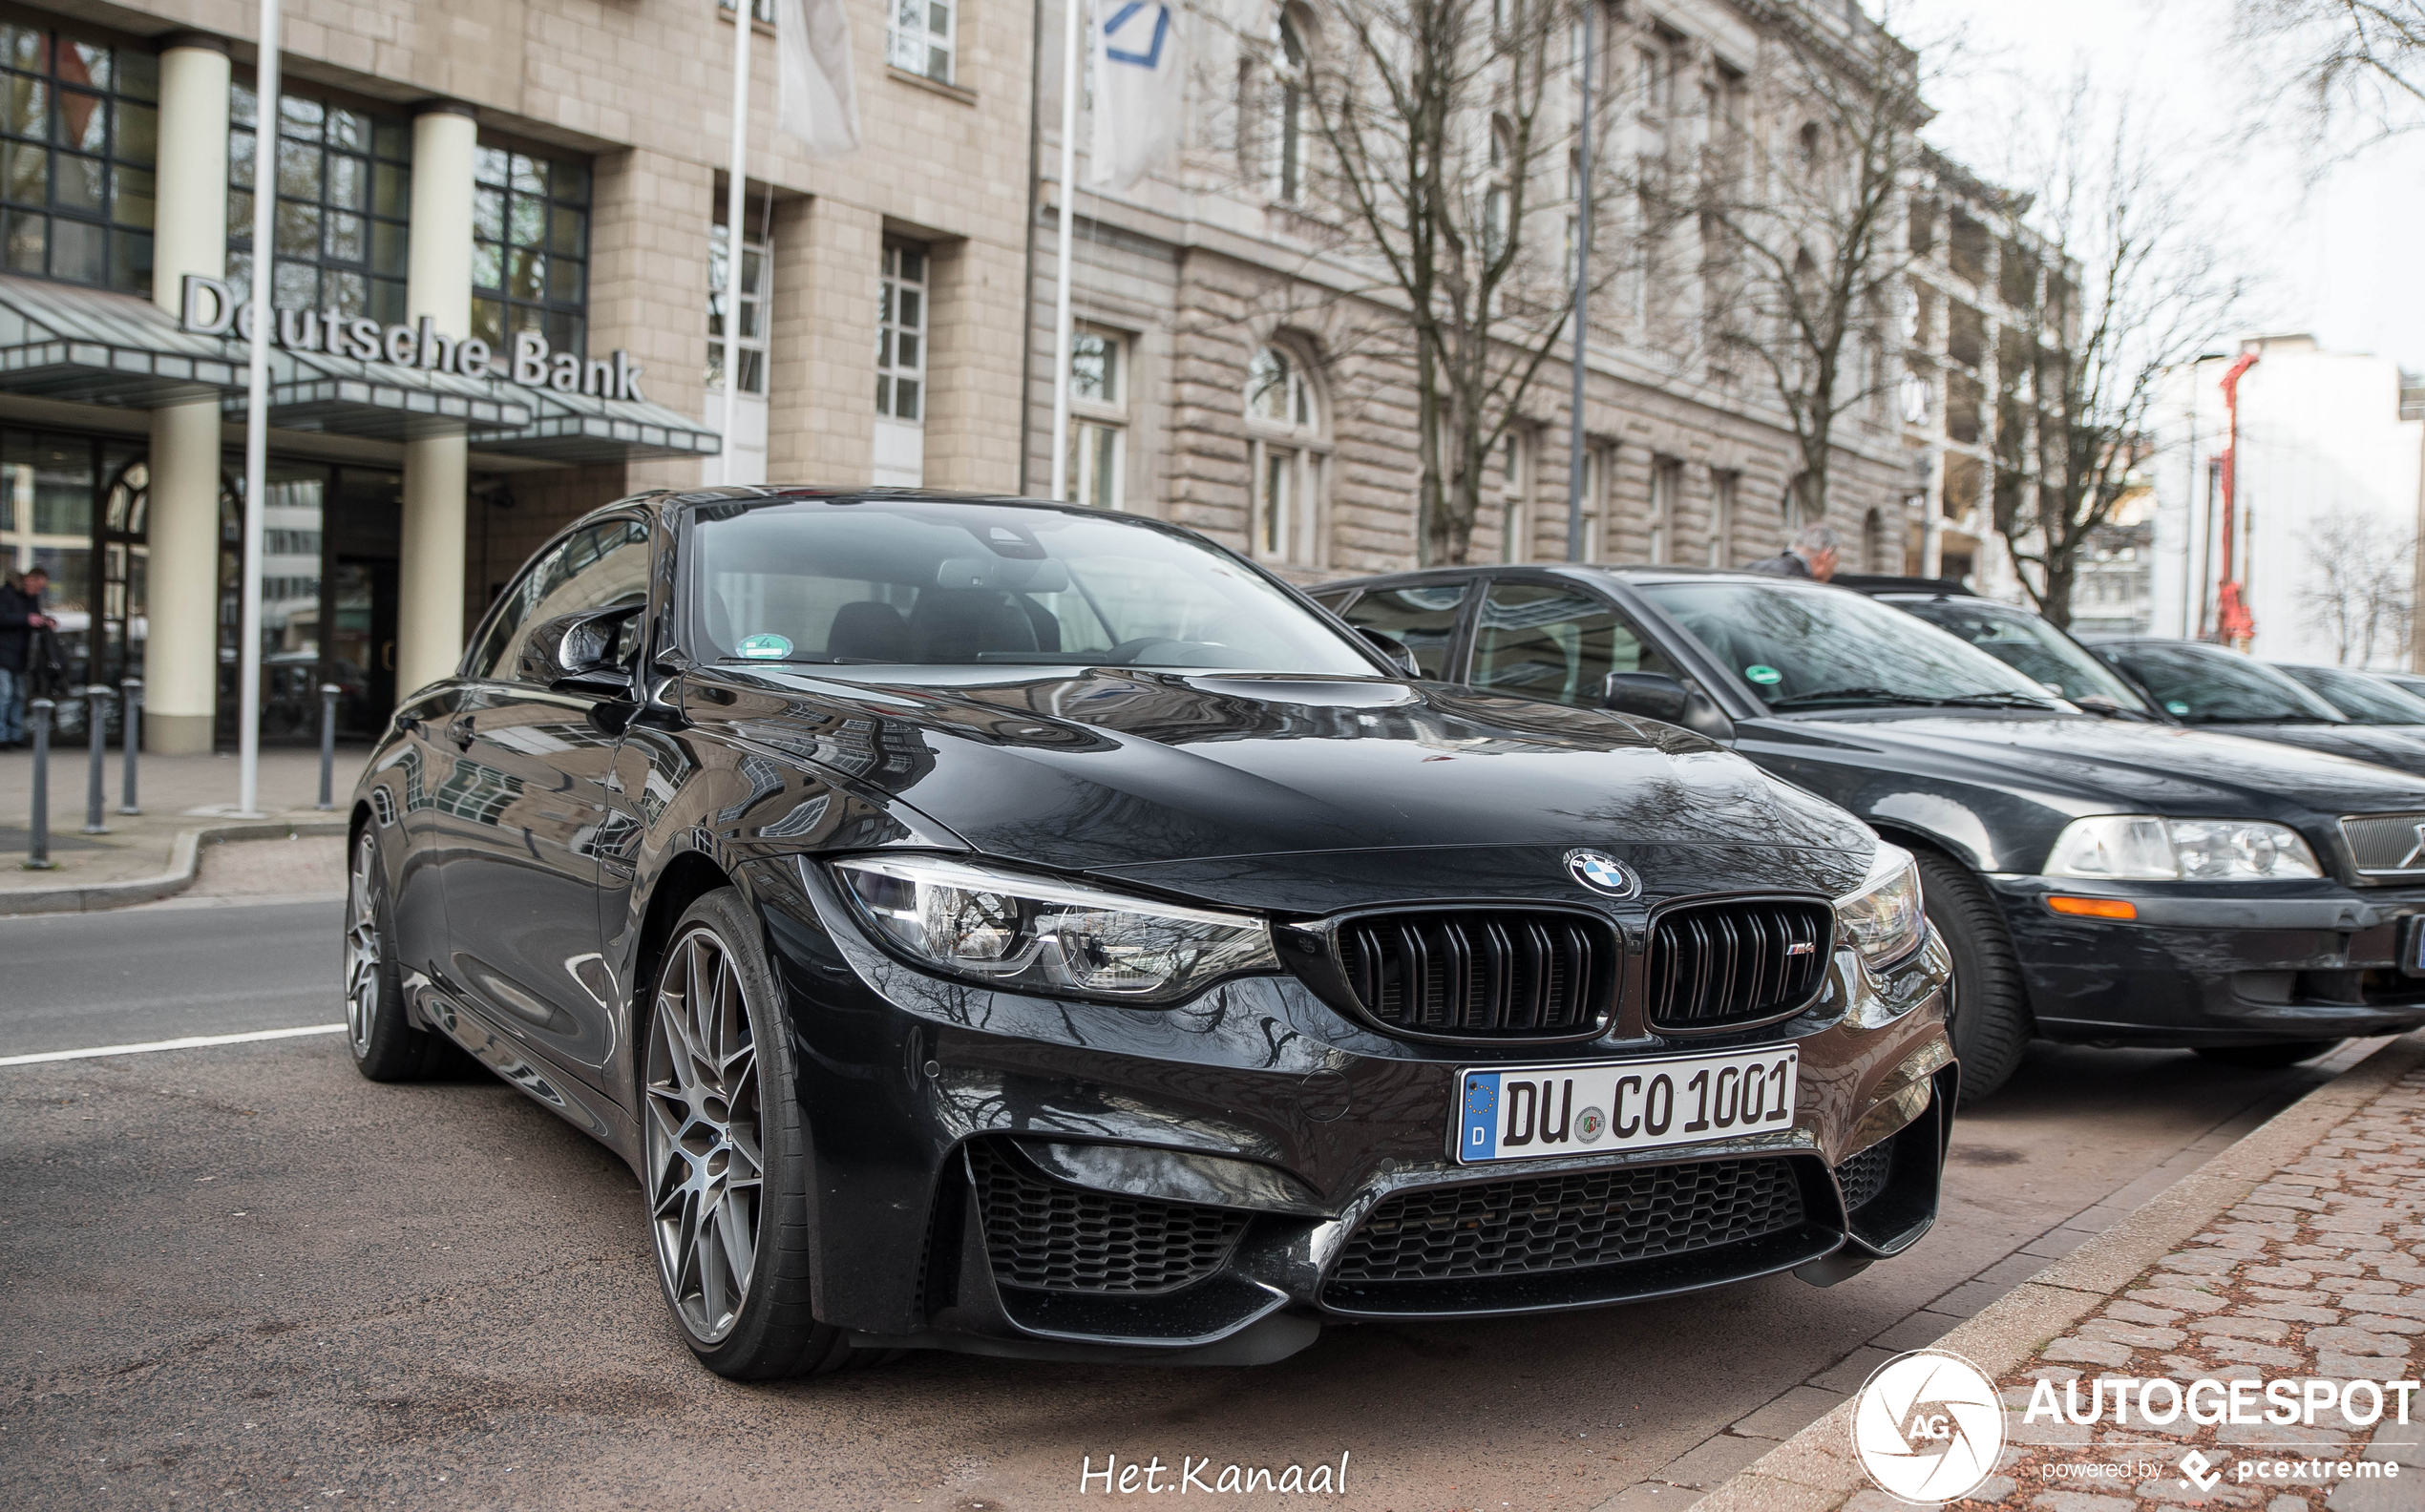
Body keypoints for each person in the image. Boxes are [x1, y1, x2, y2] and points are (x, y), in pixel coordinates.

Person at [0, 565, 55, 749]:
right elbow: (5, 617)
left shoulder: (32, 599)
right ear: (29, 580)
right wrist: (26, 619)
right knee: (4, 695)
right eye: (38, 586)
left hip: (21, 655)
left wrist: (45, 622)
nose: (39, 590)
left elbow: (33, 619)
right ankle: (2, 736)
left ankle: (14, 735)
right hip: (3, 654)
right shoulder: (6, 594)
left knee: (18, 696)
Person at [1747, 523, 1840, 582]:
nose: (1832, 573)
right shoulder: (1802, 586)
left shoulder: (1752, 567)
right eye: (1834, 566)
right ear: (1825, 556)